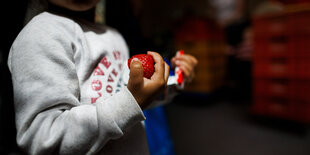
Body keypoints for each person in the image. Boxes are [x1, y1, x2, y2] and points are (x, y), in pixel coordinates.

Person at [7, 0, 198, 154]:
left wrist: (174, 81)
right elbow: (43, 139)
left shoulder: (114, 36)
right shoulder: (40, 35)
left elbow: (132, 99)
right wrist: (129, 103)